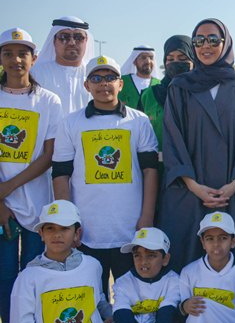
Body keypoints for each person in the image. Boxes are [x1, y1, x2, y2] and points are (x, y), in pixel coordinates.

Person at [160, 18, 235, 270]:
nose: (205, 46)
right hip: (191, 192)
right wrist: (194, 186)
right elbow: (173, 137)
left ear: (225, 43)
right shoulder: (180, 87)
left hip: (234, 192)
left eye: (213, 39)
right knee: (188, 265)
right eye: (199, 40)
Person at [52, 55, 159, 295]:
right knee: (91, 299)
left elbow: (150, 170)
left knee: (131, 298)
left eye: (110, 77)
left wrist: (147, 216)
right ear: (86, 85)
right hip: (86, 232)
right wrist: (68, 223)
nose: (104, 84)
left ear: (121, 84)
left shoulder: (139, 121)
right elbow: (60, 174)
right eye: (96, 78)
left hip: (130, 231)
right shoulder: (70, 123)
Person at [0, 28, 61, 323]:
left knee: (34, 276)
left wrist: (8, 187)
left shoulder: (48, 101)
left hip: (38, 208)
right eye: (8, 53)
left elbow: (48, 156)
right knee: (5, 275)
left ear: (34, 59)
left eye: (22, 53)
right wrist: (1, 201)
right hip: (1, 210)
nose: (16, 60)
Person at [104, 227, 181, 323]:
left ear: (165, 259)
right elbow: (122, 314)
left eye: (151, 255)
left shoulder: (173, 280)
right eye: (137, 255)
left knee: (178, 320)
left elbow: (166, 314)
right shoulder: (123, 282)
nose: (143, 262)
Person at [139, 35, 194, 151]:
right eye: (170, 59)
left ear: (194, 60)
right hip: (158, 161)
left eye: (182, 58)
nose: (176, 63)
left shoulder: (203, 93)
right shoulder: (149, 95)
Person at [31, 16, 95, 114]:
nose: (72, 43)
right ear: (54, 41)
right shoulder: (35, 74)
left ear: (86, 41)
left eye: (78, 37)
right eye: (64, 37)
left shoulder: (95, 75)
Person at [119, 45, 159, 110]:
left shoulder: (159, 84)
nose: (148, 61)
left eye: (151, 58)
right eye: (143, 57)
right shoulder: (122, 82)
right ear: (134, 61)